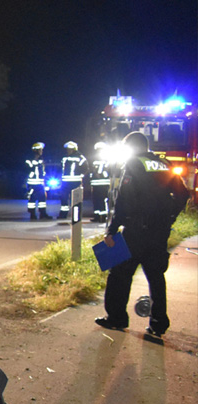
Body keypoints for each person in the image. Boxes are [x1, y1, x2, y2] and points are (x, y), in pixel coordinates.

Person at [95, 131, 189, 339]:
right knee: (156, 277)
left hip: (136, 233)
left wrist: (111, 230)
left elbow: (123, 202)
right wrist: (170, 216)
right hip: (159, 232)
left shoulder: (133, 165)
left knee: (119, 274)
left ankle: (117, 318)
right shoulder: (164, 164)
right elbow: (183, 193)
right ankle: (158, 323)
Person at [58, 140, 87, 218]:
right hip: (65, 182)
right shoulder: (65, 157)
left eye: (70, 149)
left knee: (76, 199)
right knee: (64, 199)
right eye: (67, 149)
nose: (68, 151)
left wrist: (81, 176)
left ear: (74, 149)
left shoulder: (80, 158)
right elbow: (61, 168)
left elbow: (85, 168)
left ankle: (76, 216)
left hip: (75, 182)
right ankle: (63, 214)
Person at [25, 141, 48, 220]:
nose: (41, 151)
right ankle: (32, 214)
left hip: (40, 183)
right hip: (32, 183)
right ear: (36, 150)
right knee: (32, 199)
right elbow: (28, 169)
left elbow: (43, 171)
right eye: (40, 150)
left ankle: (43, 214)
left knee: (42, 200)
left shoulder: (41, 160)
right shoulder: (29, 160)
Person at [88, 141, 111, 222]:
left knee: (102, 199)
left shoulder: (104, 158)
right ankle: (98, 216)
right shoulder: (97, 158)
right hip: (97, 183)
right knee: (97, 200)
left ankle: (103, 216)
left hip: (101, 183)